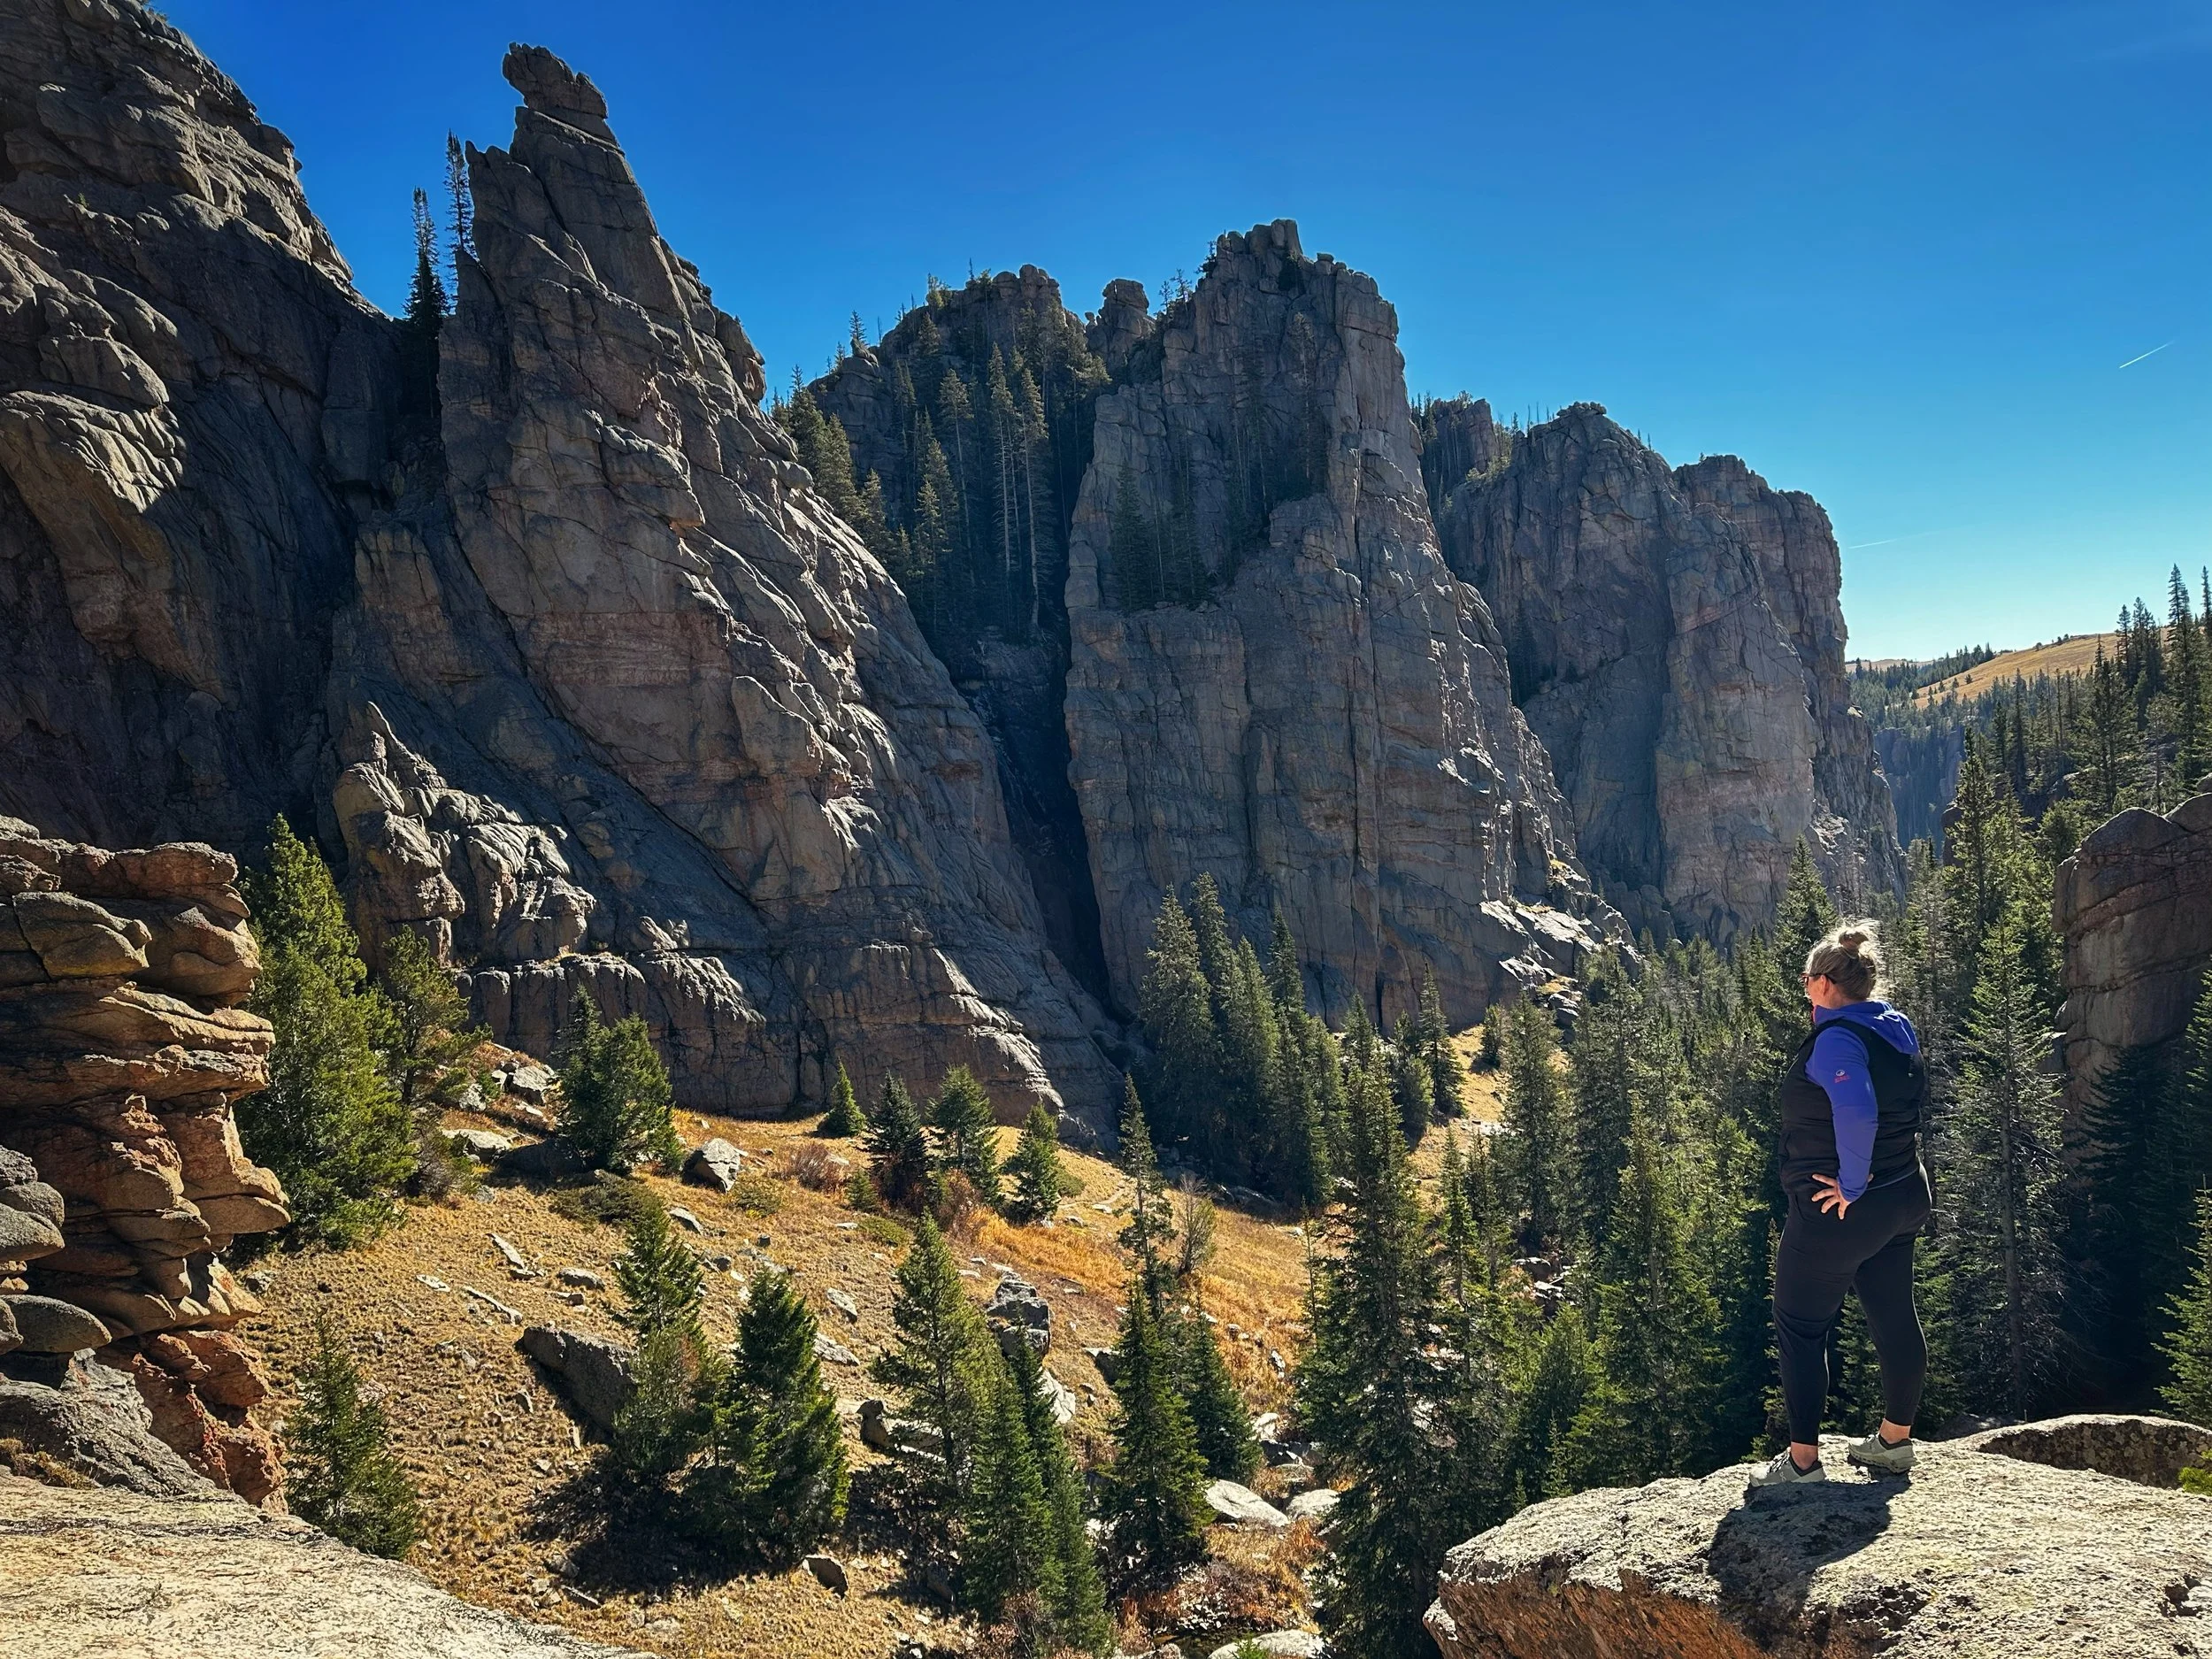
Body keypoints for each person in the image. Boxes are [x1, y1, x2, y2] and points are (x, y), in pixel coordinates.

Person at [1747, 922, 1932, 1487]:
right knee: (1895, 1313)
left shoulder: (1836, 1041)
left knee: (1801, 1325)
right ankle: (1893, 1442)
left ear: (1826, 984)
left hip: (1844, 1212)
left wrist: (1849, 1184)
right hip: (1904, 1193)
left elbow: (1856, 1111)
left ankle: (1803, 1463)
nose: (1803, 986)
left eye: (1806, 979)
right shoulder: (1893, 1024)